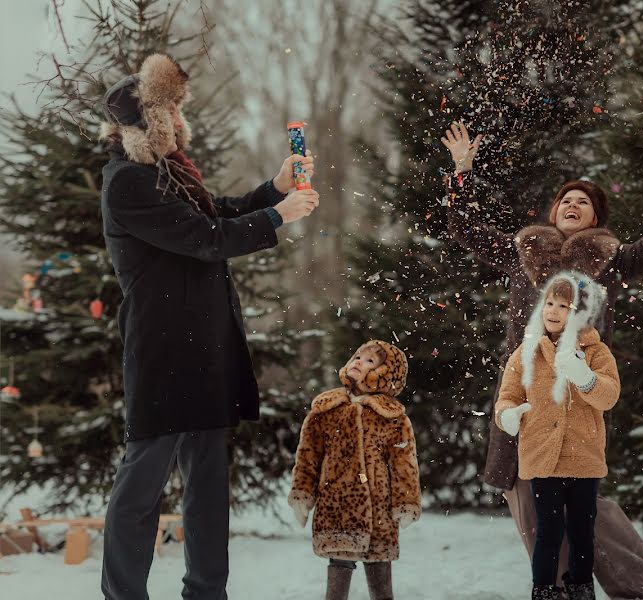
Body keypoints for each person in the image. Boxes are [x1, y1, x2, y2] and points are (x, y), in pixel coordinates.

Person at [441, 121, 643, 599]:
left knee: (582, 500)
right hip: (524, 391)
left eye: (584, 201)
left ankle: (635, 584)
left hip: (579, 392)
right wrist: (462, 171)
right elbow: (466, 228)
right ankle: (557, 588)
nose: (573, 204)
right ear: (554, 212)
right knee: (524, 495)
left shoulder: (612, 262)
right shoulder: (522, 254)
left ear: (596, 218)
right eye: (566, 199)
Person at [98, 53, 320, 599]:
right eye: (168, 110)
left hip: (205, 349)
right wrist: (279, 217)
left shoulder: (168, 174)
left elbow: (214, 213)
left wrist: (273, 188)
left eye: (177, 110)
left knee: (207, 490)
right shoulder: (128, 182)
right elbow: (206, 239)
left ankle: (206, 592)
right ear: (147, 121)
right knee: (142, 489)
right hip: (163, 353)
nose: (177, 120)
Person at [495, 273, 620, 600]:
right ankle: (544, 589)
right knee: (547, 531)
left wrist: (585, 377)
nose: (553, 310)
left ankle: (580, 587)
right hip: (542, 456)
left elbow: (608, 397)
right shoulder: (528, 350)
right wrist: (508, 414)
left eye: (564, 306)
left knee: (582, 531)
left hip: (583, 457)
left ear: (581, 313)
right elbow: (507, 395)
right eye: (549, 303)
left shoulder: (596, 351)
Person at [289, 341, 421, 600]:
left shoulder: (392, 417)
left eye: (370, 361)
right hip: (336, 504)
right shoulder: (326, 410)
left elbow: (404, 463)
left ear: (387, 374)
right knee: (338, 566)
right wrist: (302, 493)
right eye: (358, 356)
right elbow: (308, 457)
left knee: (380, 571)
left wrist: (406, 502)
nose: (359, 362)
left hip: (378, 508)